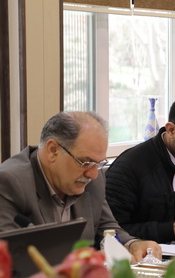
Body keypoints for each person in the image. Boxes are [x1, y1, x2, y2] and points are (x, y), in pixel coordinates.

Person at [0, 112, 160, 261]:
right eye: (86, 162)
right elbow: (12, 257)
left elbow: (106, 227)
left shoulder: (93, 179)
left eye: (98, 163)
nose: (93, 174)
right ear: (53, 150)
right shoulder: (10, 182)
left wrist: (132, 244)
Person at [106, 96, 175, 243]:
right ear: (171, 130)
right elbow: (112, 232)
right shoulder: (129, 167)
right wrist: (172, 229)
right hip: (150, 255)